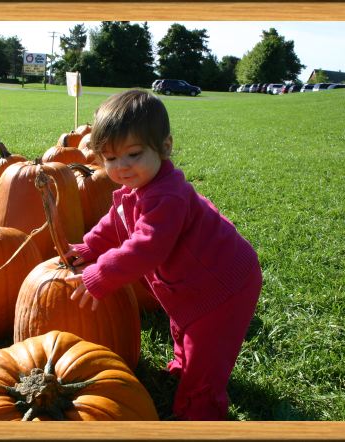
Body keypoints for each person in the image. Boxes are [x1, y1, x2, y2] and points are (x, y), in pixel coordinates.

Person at [63, 89, 262, 421]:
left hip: (226, 286)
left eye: (134, 154)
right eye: (110, 159)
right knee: (182, 327)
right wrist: (89, 246)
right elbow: (115, 222)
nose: (122, 167)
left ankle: (200, 411)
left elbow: (147, 247)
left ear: (165, 147)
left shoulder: (168, 197)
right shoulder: (136, 189)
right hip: (191, 284)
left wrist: (102, 273)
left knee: (206, 353)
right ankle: (182, 366)